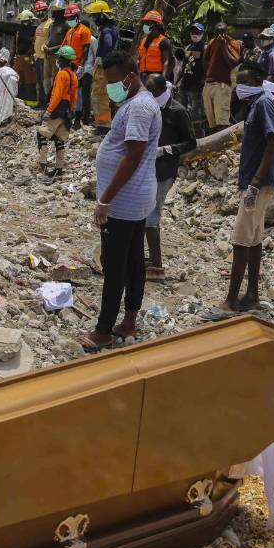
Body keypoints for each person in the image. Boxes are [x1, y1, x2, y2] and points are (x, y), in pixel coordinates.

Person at [79, 50, 161, 352]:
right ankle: (128, 321)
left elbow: (133, 154)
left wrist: (105, 199)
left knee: (115, 266)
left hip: (124, 202)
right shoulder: (138, 103)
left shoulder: (139, 107)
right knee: (133, 260)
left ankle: (103, 331)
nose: (111, 87)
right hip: (135, 198)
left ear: (130, 76)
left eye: (114, 81)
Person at [200, 62, 274, 321]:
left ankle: (231, 301)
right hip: (258, 183)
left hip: (258, 184)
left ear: (258, 80)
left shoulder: (263, 105)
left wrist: (255, 182)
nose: (239, 87)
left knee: (240, 240)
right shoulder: (255, 105)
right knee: (254, 240)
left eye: (244, 82)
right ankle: (252, 296)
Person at [146, 75, 195, 282]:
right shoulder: (150, 107)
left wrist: (167, 150)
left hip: (164, 170)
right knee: (144, 215)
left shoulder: (177, 112)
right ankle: (152, 260)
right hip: (147, 167)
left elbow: (191, 143)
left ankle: (157, 265)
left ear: (158, 90)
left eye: (150, 89)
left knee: (151, 216)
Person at [37, 45, 79, 176]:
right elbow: (74, 97)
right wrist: (71, 111)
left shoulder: (61, 74)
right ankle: (59, 168)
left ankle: (42, 164)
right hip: (66, 111)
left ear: (60, 59)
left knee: (42, 135)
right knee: (59, 140)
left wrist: (49, 111)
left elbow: (57, 95)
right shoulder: (73, 76)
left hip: (57, 108)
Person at [202, 21, 241, 133]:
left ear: (226, 32)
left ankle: (224, 148)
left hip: (222, 85)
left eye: (222, 32)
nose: (220, 35)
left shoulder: (233, 43)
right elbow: (205, 61)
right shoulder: (211, 42)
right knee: (211, 123)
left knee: (222, 122)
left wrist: (223, 47)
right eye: (217, 32)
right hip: (209, 84)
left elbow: (233, 63)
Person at [87, 0, 118, 131]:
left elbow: (108, 44)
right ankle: (105, 123)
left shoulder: (106, 31)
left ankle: (103, 125)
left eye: (95, 16)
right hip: (111, 67)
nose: (93, 19)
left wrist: (102, 59)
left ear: (101, 16)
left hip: (104, 68)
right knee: (106, 96)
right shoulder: (113, 29)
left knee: (100, 96)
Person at [60, 3, 93, 128]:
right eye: (67, 18)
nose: (69, 20)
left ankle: (78, 120)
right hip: (67, 66)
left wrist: (81, 66)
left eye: (71, 18)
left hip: (78, 66)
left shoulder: (84, 31)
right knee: (67, 92)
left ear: (77, 16)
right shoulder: (69, 31)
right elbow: (63, 46)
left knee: (78, 94)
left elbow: (86, 49)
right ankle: (67, 116)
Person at [177, 23, 206, 132]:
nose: (195, 34)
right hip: (184, 83)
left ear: (202, 33)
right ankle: (183, 131)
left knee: (196, 111)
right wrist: (177, 81)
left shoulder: (204, 47)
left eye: (198, 32)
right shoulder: (188, 47)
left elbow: (206, 65)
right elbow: (183, 66)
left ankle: (197, 135)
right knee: (181, 109)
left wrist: (202, 82)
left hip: (196, 85)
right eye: (193, 32)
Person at [136, 10, 172, 80]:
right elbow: (139, 58)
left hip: (156, 77)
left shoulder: (164, 41)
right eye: (145, 23)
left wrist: (163, 78)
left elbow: (166, 61)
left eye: (148, 23)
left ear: (156, 25)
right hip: (142, 75)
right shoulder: (143, 39)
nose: (145, 25)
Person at [42, 0, 68, 98]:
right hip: (47, 56)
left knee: (55, 79)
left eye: (55, 12)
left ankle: (53, 100)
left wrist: (53, 49)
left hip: (57, 57)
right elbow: (49, 39)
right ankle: (47, 100)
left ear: (61, 12)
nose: (52, 13)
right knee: (46, 79)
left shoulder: (66, 25)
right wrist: (45, 45)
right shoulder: (52, 25)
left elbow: (66, 43)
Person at [14, 9, 39, 106]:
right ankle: (26, 101)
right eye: (31, 20)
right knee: (27, 79)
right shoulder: (29, 30)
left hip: (23, 57)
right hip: (25, 58)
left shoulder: (21, 30)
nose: (31, 22)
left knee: (23, 80)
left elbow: (17, 44)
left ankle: (23, 100)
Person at [32, 0, 52, 107]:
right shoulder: (39, 25)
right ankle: (40, 103)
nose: (40, 14)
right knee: (39, 82)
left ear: (46, 11)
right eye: (38, 12)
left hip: (45, 57)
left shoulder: (50, 24)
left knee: (45, 82)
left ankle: (45, 104)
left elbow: (50, 38)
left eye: (41, 11)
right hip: (38, 57)